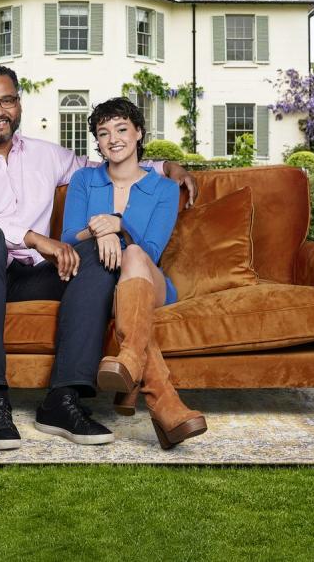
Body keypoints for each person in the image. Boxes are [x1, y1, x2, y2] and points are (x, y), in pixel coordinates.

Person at [0, 65, 198, 450]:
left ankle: (62, 400)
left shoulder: (45, 154)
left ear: (18, 104)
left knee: (102, 252)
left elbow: (110, 162)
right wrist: (35, 238)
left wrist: (168, 167)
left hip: (21, 275)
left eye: (6, 101)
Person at [61, 97, 207, 450]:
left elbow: (153, 250)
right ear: (97, 141)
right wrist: (100, 230)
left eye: (122, 129)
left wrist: (120, 226)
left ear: (139, 133)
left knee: (138, 254)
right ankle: (165, 407)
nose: (113, 138)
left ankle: (128, 361)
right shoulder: (83, 180)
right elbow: (67, 238)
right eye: (103, 132)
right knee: (130, 303)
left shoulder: (164, 188)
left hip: (147, 280)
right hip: (100, 285)